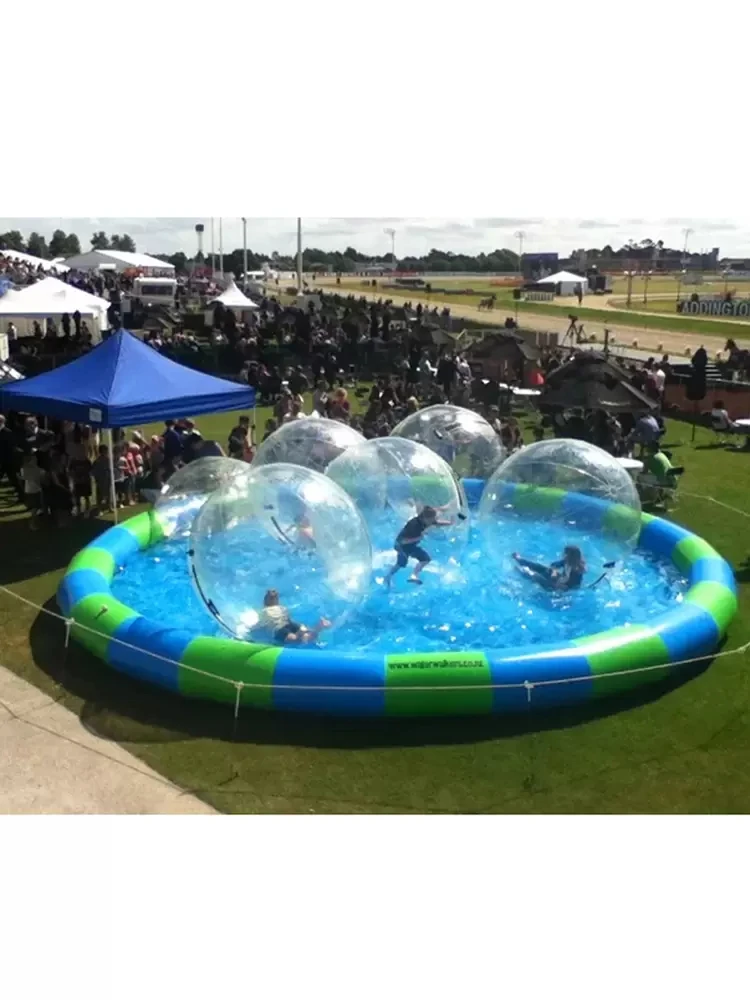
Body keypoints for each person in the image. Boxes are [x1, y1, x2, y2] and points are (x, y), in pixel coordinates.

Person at [384, 505, 454, 587]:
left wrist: (450, 523)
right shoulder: (413, 525)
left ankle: (413, 575)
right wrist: (418, 538)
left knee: (425, 559)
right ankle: (388, 577)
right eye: (432, 518)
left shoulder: (426, 520)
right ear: (426, 518)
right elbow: (402, 541)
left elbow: (437, 523)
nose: (434, 520)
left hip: (411, 545)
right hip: (401, 546)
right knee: (401, 563)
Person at [252, 589, 330, 645]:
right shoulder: (282, 608)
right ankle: (315, 629)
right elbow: (288, 619)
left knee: (296, 640)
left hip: (278, 629)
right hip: (289, 624)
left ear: (264, 602)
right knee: (306, 637)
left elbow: (260, 625)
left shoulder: (264, 611)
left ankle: (310, 630)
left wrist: (251, 631)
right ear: (277, 601)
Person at [513, 546, 586, 592]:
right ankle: (520, 560)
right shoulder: (566, 561)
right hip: (557, 579)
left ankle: (519, 570)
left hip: (556, 586)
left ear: (569, 556)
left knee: (534, 576)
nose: (563, 554)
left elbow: (572, 587)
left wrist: (558, 585)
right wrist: (554, 572)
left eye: (564, 553)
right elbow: (554, 565)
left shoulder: (577, 571)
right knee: (539, 566)